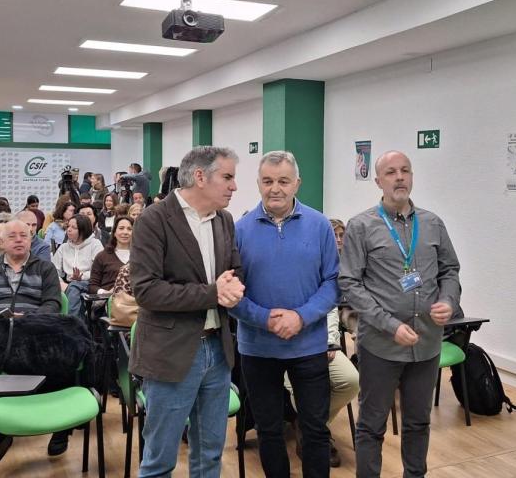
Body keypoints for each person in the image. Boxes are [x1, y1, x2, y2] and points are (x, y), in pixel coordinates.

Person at [339, 151, 461, 478]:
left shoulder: (433, 223)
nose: (400, 177)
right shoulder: (361, 225)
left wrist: (448, 300)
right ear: (378, 181)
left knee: (418, 422)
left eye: (405, 171)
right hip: (381, 344)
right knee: (371, 424)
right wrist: (389, 325)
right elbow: (349, 282)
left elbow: (450, 269)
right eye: (391, 172)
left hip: (426, 342)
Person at [130, 146, 244, 478]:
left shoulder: (224, 220)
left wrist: (234, 287)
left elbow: (233, 270)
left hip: (218, 352)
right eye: (227, 177)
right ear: (199, 176)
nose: (234, 186)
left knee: (210, 454)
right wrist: (213, 293)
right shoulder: (154, 219)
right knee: (160, 459)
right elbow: (147, 290)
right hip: (172, 353)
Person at [232, 151, 339, 478]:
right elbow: (232, 292)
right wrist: (265, 319)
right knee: (269, 430)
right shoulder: (240, 230)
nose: (275, 188)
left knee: (315, 429)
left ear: (297, 183)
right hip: (258, 349)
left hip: (308, 347)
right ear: (258, 183)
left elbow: (334, 283)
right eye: (267, 181)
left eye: (283, 181)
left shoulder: (320, 225)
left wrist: (300, 317)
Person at [0, 217, 64, 472]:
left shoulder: (45, 268)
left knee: (61, 357)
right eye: (13, 236)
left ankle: (60, 426)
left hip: (34, 332)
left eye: (24, 235)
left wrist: (28, 321)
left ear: (31, 238)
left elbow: (52, 304)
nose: (19, 240)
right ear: (2, 241)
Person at [285, 218, 360, 468]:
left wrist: (329, 342)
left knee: (350, 380)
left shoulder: (326, 269)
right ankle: (316, 434)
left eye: (341, 235)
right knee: (302, 388)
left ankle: (310, 428)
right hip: (285, 347)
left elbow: (329, 308)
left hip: (322, 343)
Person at [51, 214, 103, 319]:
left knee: (74, 287)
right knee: (72, 288)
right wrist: (60, 282)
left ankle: (70, 323)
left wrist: (81, 277)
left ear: (83, 230)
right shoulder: (64, 247)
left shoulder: (95, 244)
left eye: (73, 228)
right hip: (67, 283)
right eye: (68, 226)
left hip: (90, 282)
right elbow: (53, 269)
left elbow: (98, 270)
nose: (68, 230)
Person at [89, 215, 132, 295]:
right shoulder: (102, 256)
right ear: (114, 232)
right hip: (108, 302)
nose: (125, 232)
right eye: (121, 228)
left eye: (129, 229)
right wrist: (106, 293)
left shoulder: (141, 257)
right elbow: (92, 286)